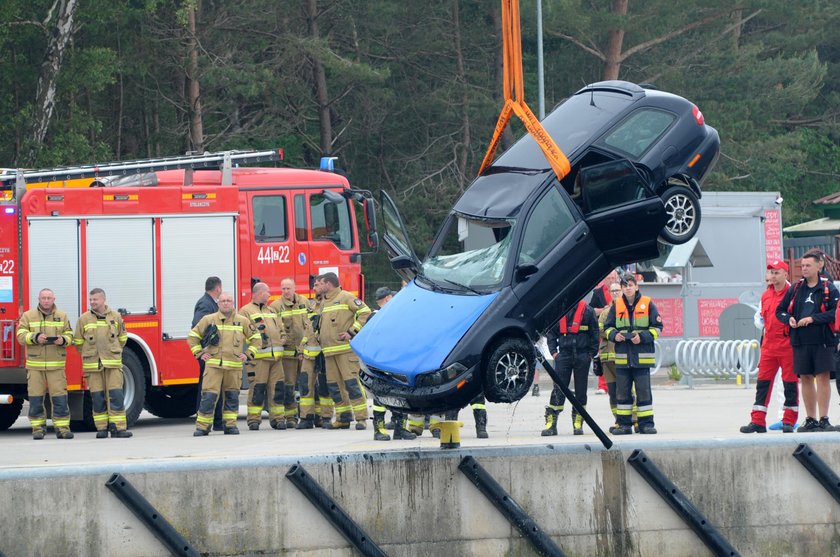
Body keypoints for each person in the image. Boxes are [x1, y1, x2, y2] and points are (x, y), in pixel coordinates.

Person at [776, 252, 839, 432]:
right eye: (802, 265)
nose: (804, 268)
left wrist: (813, 318)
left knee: (822, 377)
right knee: (805, 378)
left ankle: (824, 419)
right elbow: (780, 311)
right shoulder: (795, 288)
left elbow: (835, 312)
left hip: (822, 340)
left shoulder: (828, 288)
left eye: (808, 265)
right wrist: (788, 319)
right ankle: (810, 418)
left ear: (819, 266)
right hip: (800, 341)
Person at [188, 292, 257, 436]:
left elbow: (256, 338)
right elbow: (192, 336)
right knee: (208, 397)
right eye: (223, 301)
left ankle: (230, 425)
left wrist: (248, 354)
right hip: (213, 367)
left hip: (234, 368)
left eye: (228, 301)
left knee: (232, 397)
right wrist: (199, 354)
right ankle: (202, 427)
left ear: (233, 303)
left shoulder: (242, 321)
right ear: (218, 304)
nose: (226, 303)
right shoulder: (209, 320)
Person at [740, 261, 797, 433]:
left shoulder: (794, 293)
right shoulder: (765, 295)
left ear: (785, 274)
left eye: (776, 273)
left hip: (788, 345)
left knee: (789, 384)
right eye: (770, 273)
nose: (772, 276)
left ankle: (788, 420)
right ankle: (757, 421)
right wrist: (759, 322)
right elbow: (759, 317)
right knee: (763, 384)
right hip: (768, 346)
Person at [604, 273, 663, 435]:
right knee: (622, 394)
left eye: (630, 285)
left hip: (642, 358)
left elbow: (658, 328)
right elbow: (607, 327)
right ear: (621, 288)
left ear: (636, 286)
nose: (628, 288)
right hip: (622, 359)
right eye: (625, 285)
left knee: (644, 393)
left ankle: (646, 425)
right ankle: (624, 425)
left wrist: (642, 337)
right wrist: (614, 335)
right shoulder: (616, 306)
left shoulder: (648, 303)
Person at [73, 288, 132, 438]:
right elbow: (78, 342)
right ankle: (101, 428)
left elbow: (122, 337)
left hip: (112, 363)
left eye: (95, 299)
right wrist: (90, 355)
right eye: (91, 299)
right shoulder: (84, 319)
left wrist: (113, 351)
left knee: (116, 396)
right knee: (97, 397)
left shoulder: (115, 316)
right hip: (93, 366)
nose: (92, 302)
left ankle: (119, 428)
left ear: (103, 300)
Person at [16, 288, 74, 440]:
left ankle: (62, 429)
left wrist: (63, 340)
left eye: (49, 298)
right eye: (44, 298)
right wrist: (35, 337)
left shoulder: (62, 316)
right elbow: (20, 335)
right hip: (35, 365)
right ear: (39, 299)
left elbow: (70, 334)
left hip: (56, 365)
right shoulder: (28, 316)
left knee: (60, 398)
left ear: (54, 299)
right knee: (35, 398)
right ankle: (38, 429)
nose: (46, 300)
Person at [319, 272, 371, 429]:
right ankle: (343, 417)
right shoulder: (324, 302)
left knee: (352, 385)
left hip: (345, 351)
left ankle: (361, 418)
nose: (318, 286)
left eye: (320, 283)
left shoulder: (346, 297)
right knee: (335, 387)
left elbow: (365, 312)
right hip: (329, 352)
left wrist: (351, 331)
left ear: (328, 284)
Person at [542, 299, 599, 436]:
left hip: (582, 355)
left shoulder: (588, 311)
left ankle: (578, 422)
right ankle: (551, 423)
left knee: (581, 391)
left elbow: (595, 333)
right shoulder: (558, 311)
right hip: (564, 355)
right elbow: (551, 333)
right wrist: (554, 353)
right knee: (558, 388)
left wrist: (590, 354)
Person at [240, 282, 287, 430]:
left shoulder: (271, 310)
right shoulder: (245, 311)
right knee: (257, 389)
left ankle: (278, 419)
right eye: (267, 292)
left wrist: (283, 338)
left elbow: (281, 329)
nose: (269, 295)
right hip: (258, 359)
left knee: (277, 389)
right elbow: (242, 334)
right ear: (259, 293)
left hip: (276, 359)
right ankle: (253, 420)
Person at [271, 278, 311, 428]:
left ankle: (309, 415)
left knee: (307, 384)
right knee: (288, 386)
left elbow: (310, 324)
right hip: (288, 354)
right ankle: (291, 416)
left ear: (295, 288)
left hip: (304, 351)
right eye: (283, 289)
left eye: (288, 288)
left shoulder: (304, 302)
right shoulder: (275, 306)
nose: (286, 291)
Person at [296, 276, 331, 429]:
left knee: (324, 387)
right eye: (314, 285)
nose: (314, 288)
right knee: (305, 385)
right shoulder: (312, 306)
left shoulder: (331, 304)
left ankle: (326, 417)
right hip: (309, 354)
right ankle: (306, 418)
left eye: (317, 285)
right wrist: (301, 348)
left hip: (325, 353)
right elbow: (308, 329)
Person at [193, 276, 224, 431]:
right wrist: (205, 349)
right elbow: (198, 326)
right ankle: (204, 420)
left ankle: (218, 421)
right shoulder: (205, 304)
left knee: (213, 388)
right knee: (207, 388)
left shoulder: (209, 303)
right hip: (209, 355)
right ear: (218, 288)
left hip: (212, 355)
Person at [589, 270, 619, 395]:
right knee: (603, 358)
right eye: (608, 278)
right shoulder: (598, 293)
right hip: (602, 331)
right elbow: (590, 310)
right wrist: (603, 310)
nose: (611, 281)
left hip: (618, 330)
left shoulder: (620, 291)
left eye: (613, 278)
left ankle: (618, 383)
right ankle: (602, 385)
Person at [597, 283, 622, 425]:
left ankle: (634, 419)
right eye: (612, 291)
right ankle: (618, 420)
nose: (615, 293)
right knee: (612, 392)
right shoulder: (605, 313)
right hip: (607, 357)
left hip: (623, 357)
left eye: (617, 290)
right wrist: (614, 334)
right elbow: (599, 330)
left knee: (625, 390)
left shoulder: (627, 309)